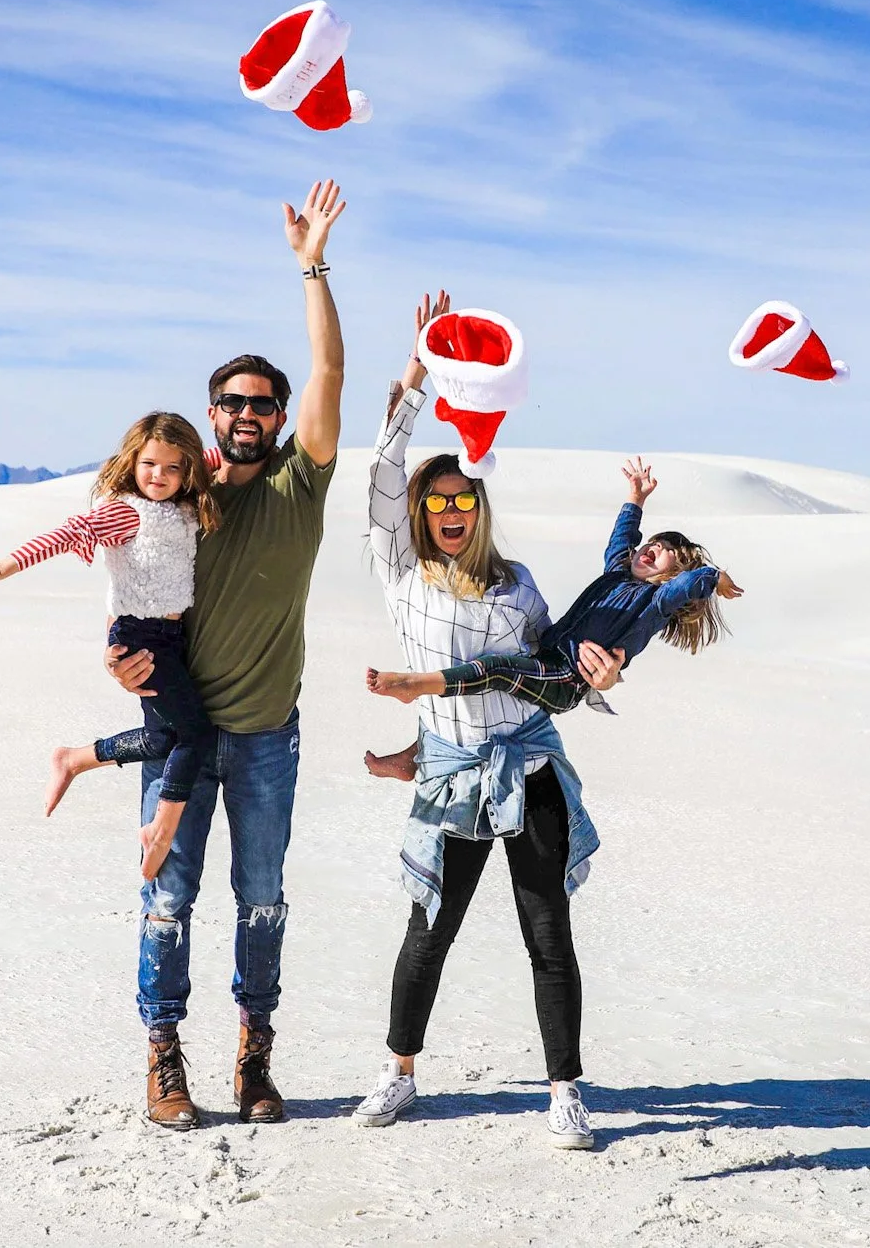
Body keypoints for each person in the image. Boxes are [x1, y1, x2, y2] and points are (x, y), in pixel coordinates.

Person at [350, 292, 623, 1151]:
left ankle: (565, 1090)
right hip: (451, 775)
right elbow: (383, 475)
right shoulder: (401, 573)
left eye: (463, 497)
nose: (448, 510)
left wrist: (596, 671)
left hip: (529, 770)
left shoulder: (519, 586)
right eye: (436, 503)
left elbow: (552, 678)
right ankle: (398, 1073)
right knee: (430, 928)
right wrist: (419, 373)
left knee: (547, 930)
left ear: (481, 505)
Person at [103, 180, 348, 1131]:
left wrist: (312, 267)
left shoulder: (300, 482)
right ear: (212, 414)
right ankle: (164, 1056)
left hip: (266, 740)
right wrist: (118, 660)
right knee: (166, 900)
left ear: (281, 416)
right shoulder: (176, 498)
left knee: (261, 899)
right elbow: (125, 586)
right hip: (180, 737)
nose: (248, 411)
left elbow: (330, 370)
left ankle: (254, 1058)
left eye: (264, 401)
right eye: (232, 400)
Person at [0, 411, 219, 882]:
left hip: (174, 638)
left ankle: (74, 758)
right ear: (132, 462)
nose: (159, 475)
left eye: (173, 467)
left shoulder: (182, 505)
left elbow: (222, 457)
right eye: (149, 464)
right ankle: (160, 829)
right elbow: (66, 534)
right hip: (140, 638)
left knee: (163, 739)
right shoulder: (124, 510)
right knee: (196, 734)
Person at [365, 456, 743, 713]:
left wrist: (712, 577)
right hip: (548, 657)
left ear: (674, 574)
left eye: (665, 553)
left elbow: (685, 588)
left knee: (496, 669)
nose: (652, 548)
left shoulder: (656, 602)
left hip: (567, 679)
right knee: (490, 684)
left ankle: (416, 684)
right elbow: (620, 539)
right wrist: (634, 500)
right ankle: (419, 750)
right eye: (652, 544)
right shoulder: (617, 572)